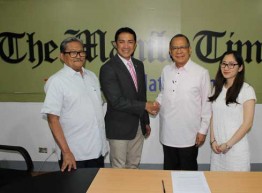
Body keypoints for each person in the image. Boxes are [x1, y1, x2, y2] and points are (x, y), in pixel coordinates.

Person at [41, 37, 108, 172]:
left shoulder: (92, 76)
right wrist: (66, 152)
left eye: (81, 52)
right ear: (62, 56)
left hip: (97, 151)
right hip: (74, 154)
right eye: (72, 53)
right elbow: (52, 119)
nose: (78, 56)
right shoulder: (57, 81)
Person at [99, 27, 158, 169]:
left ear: (135, 44)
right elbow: (116, 101)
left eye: (130, 42)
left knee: (133, 165)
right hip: (119, 126)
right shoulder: (108, 68)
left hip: (138, 125)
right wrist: (144, 106)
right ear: (115, 44)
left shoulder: (139, 64)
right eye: (122, 42)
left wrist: (145, 121)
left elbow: (141, 95)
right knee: (119, 167)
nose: (126, 46)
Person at [155, 34, 212, 170]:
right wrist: (156, 103)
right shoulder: (166, 70)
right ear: (170, 51)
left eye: (182, 47)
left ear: (190, 49)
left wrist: (203, 130)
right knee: (169, 173)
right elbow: (164, 93)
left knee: (188, 176)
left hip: (189, 136)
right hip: (168, 134)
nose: (179, 51)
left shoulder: (201, 73)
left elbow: (206, 104)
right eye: (175, 48)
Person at [209, 50, 256, 171]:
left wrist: (228, 145)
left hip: (236, 152)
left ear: (240, 67)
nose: (226, 67)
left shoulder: (247, 90)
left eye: (231, 64)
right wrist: (212, 140)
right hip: (218, 151)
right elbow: (213, 116)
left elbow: (247, 124)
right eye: (224, 64)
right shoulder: (216, 89)